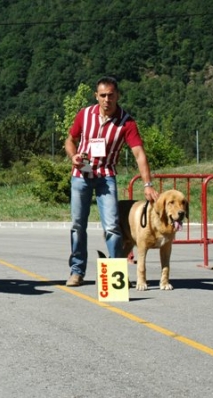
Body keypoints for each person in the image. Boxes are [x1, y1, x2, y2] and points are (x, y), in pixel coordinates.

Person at [64, 76, 159, 287]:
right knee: (77, 225)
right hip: (81, 174)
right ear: (96, 96)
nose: (107, 99)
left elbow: (139, 154)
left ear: (118, 96)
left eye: (111, 95)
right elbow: (70, 140)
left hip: (106, 176)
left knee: (112, 227)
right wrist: (73, 156)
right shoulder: (84, 114)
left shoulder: (127, 122)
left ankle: (116, 274)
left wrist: (147, 184)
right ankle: (77, 271)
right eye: (103, 95)